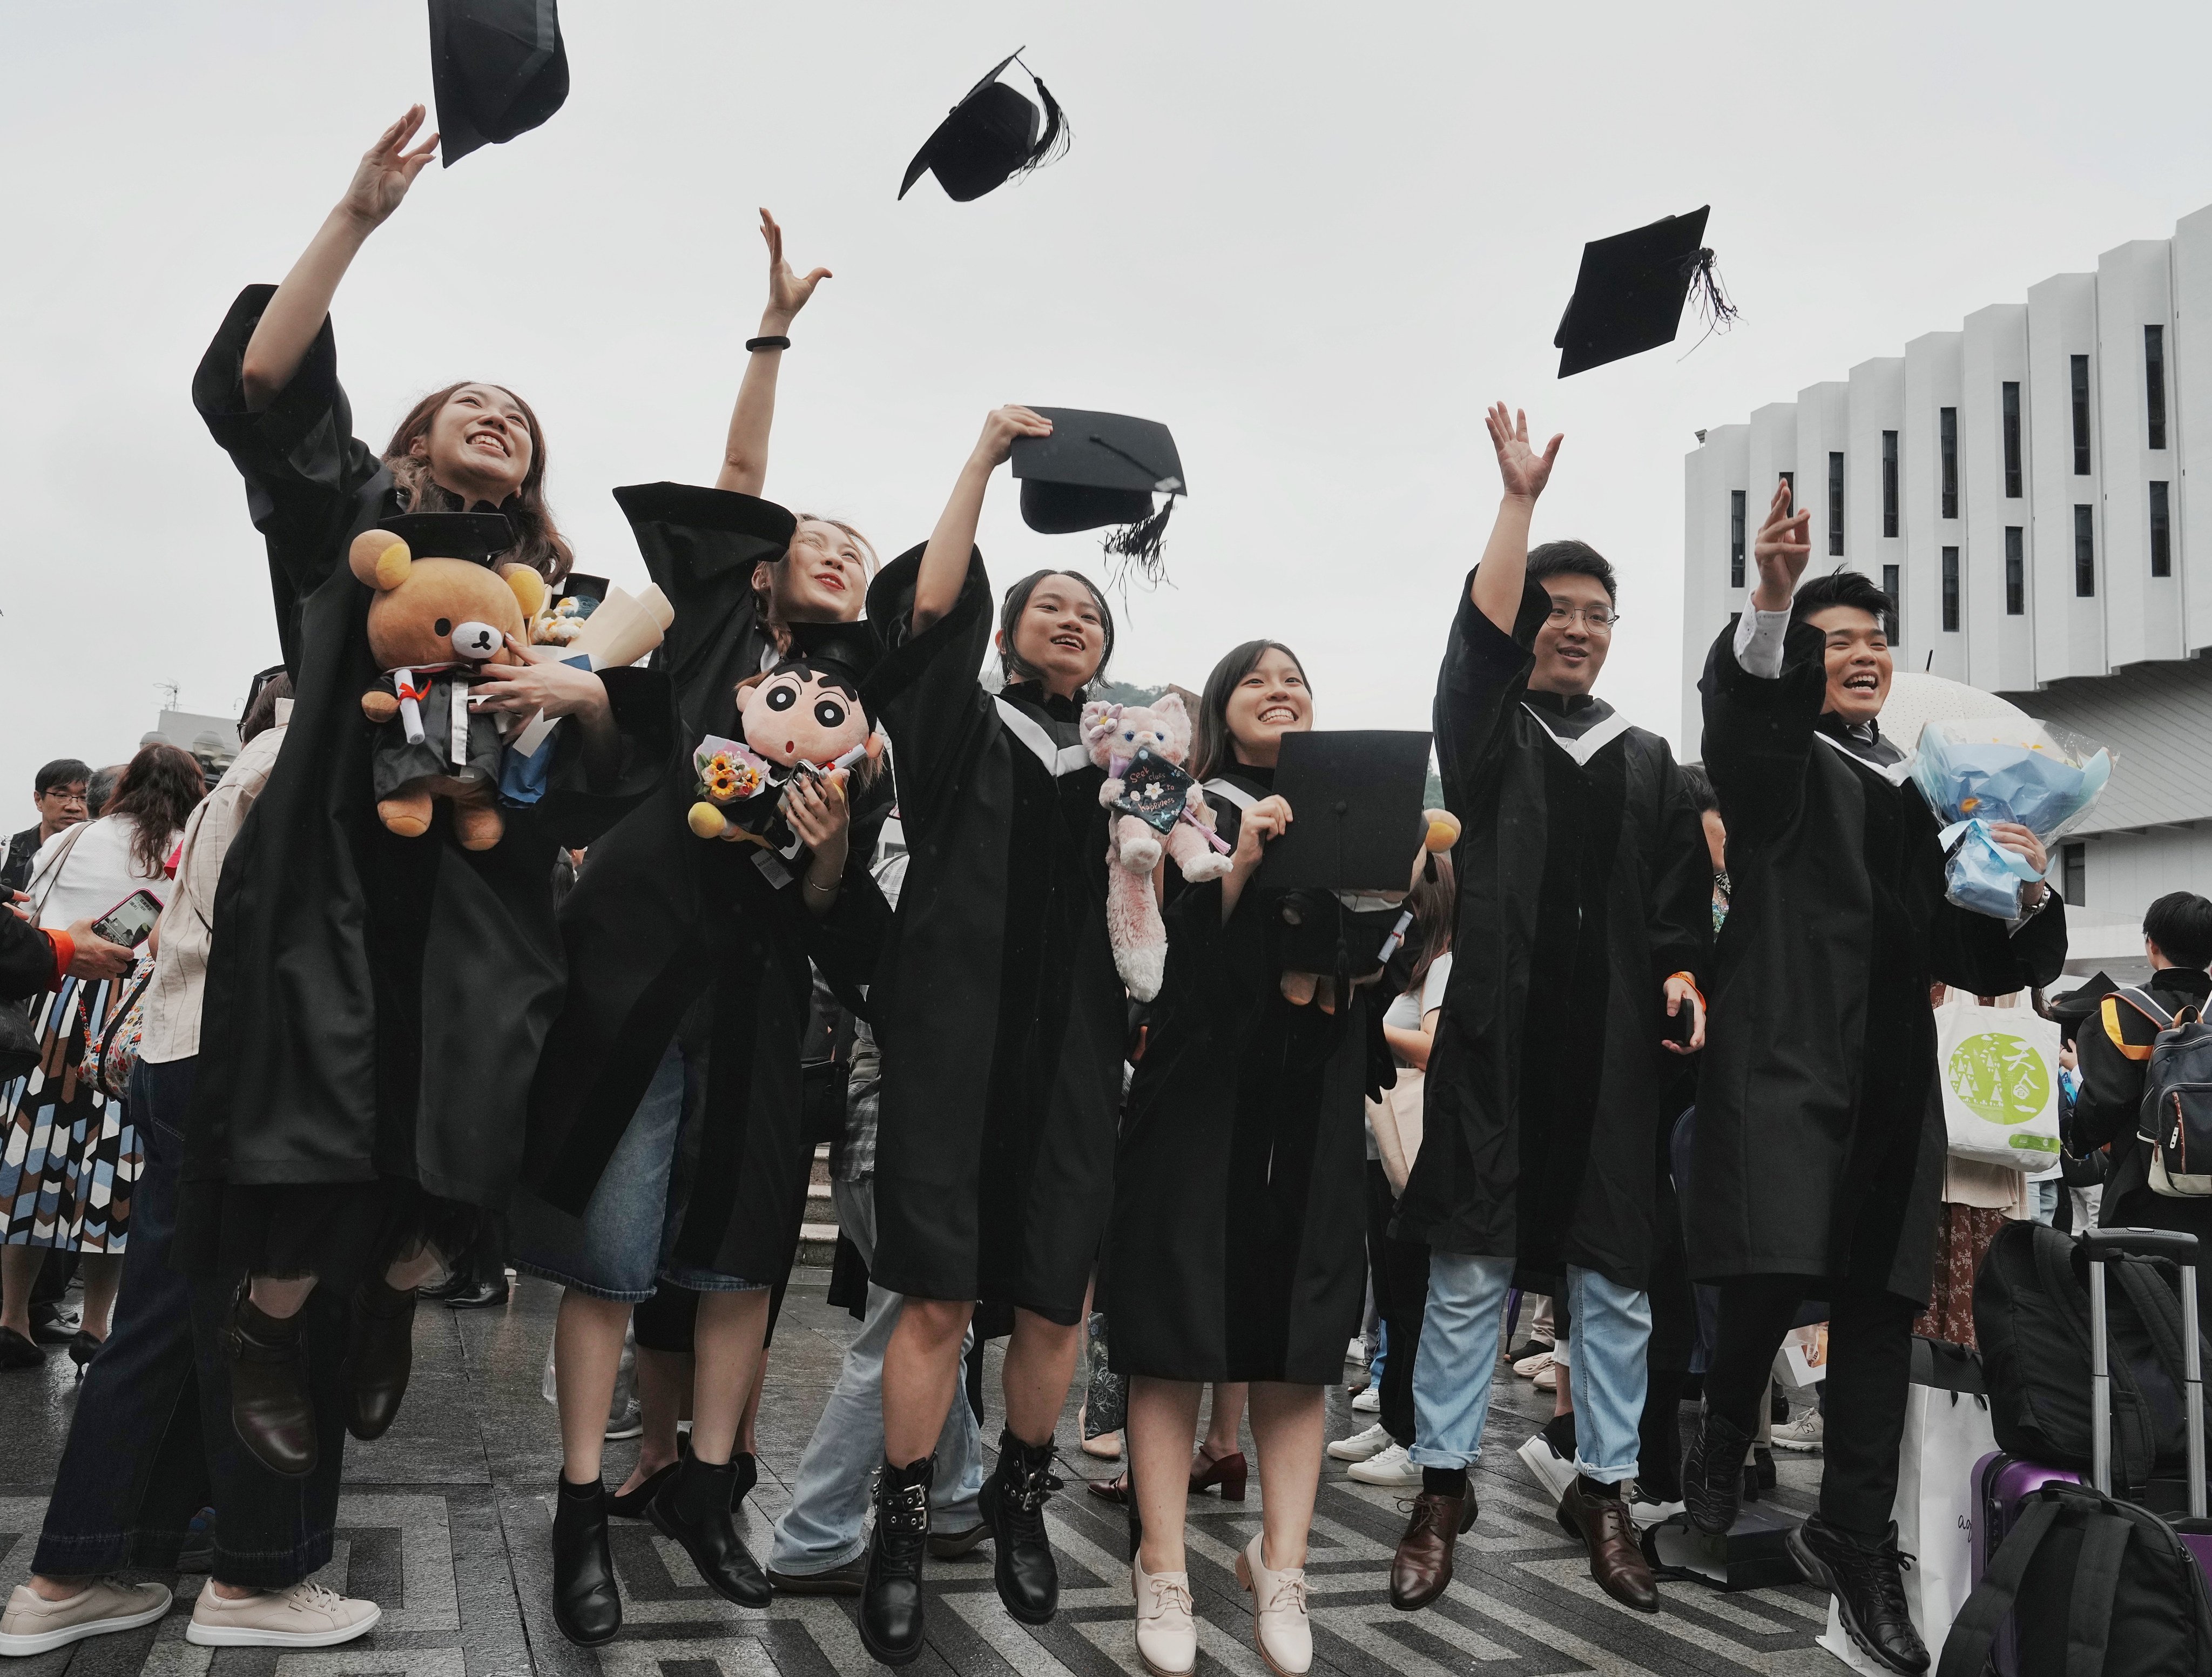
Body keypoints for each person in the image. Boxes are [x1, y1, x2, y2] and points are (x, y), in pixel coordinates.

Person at [179, 107, 670, 1485]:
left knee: (462, 1125)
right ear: (414, 435)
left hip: (484, 897)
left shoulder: (562, 606)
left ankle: (399, 1282)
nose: (499, 416)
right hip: (340, 867)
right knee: (315, 1112)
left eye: (520, 417)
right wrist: (355, 217)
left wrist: (582, 692)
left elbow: (611, 775)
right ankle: (269, 1327)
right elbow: (266, 388)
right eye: (472, 404)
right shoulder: (355, 532)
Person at [510, 208, 895, 1644]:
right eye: (817, 540)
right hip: (636, 996)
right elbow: (742, 477)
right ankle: (576, 1509)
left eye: (857, 547)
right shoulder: (716, 641)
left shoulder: (862, 720)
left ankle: (714, 1491)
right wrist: (775, 329)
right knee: (612, 1259)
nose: (837, 553)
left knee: (740, 1262)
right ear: (765, 568)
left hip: (763, 1009)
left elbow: (832, 909)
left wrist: (830, 850)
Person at [1682, 480, 2067, 1676]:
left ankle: (1852, 1538)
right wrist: (1771, 602)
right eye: (1832, 642)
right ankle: (1716, 1437)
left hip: (1893, 1083)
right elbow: (1743, 712)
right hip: (1785, 1058)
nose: (1857, 657)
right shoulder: (1774, 764)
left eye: (1871, 642)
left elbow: (1965, 949)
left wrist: (2023, 881)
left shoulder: (1924, 790)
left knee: (1876, 1309)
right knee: (1766, 1272)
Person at [1386, 405, 1711, 1618]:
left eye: (1592, 614)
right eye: (1552, 610)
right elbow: (1468, 652)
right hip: (1499, 1045)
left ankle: (1607, 1487)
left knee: (1612, 1286)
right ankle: (1441, 1482)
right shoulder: (1487, 737)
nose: (1572, 628)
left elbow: (1681, 908)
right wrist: (1514, 507)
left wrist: (1682, 973)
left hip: (1614, 1055)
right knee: (1471, 1273)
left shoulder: (1648, 760)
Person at [0, 675, 385, 1657]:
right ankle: (255, 1575)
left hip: (187, 1059)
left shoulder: (253, 768)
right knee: (262, 1331)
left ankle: (74, 1572)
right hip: (256, 1069)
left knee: (163, 1321)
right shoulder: (310, 767)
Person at [858, 405, 1123, 1666]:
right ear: (1009, 629)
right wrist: (978, 462)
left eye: (1092, 613)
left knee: (1055, 1297)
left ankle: (1022, 1489)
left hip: (1072, 1053)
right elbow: (931, 608)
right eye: (1050, 605)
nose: (1072, 620)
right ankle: (901, 1523)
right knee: (937, 1293)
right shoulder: (958, 728)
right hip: (950, 1043)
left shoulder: (1130, 768)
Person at [1107, 637, 1377, 1676]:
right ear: (1222, 705)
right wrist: (1244, 873)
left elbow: (1385, 967)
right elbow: (1146, 967)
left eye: (1299, 679)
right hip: (1198, 1102)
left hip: (1307, 1101)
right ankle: (1162, 1564)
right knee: (1175, 1329)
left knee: (1296, 1339)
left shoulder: (1356, 808)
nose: (1284, 691)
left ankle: (1285, 1563)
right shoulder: (1173, 795)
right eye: (1259, 679)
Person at [766, 841, 989, 1595]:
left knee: (933, 1325)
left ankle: (957, 1503)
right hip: (897, 1138)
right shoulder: (919, 867)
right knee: (901, 1333)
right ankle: (813, 1533)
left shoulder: (918, 860)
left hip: (887, 1138)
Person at [1, 742, 204, 1363]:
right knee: (113, 1169)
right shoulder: (187, 845)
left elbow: (30, 908)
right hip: (130, 1019)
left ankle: (12, 1320)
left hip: (55, 1000)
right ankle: (96, 1326)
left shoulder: (68, 840)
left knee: (34, 1160)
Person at [1333, 851, 1455, 1486]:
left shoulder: (1439, 966)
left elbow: (1436, 1049)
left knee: (1411, 1297)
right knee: (1397, 1292)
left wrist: (1367, 1033)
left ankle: (1414, 1435)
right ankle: (1396, 1420)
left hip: (1409, 1150)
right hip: (1386, 1152)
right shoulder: (1417, 971)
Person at [2074, 892, 2212, 1239]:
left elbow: (2105, 1104)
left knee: (2146, 1288)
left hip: (2141, 1186)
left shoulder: (2119, 1013)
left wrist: (2076, 1140)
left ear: (2152, 946)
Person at [0, 760, 90, 897]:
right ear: (38, 800)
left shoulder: (98, 856)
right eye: (62, 795)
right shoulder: (4, 851)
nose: (74, 806)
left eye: (84, 798)